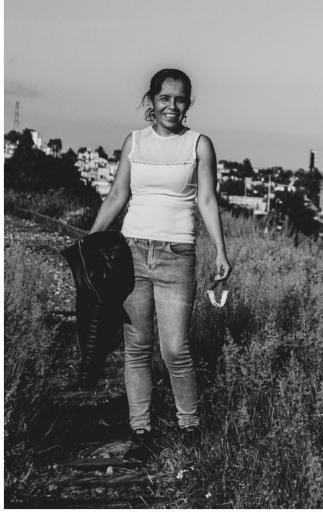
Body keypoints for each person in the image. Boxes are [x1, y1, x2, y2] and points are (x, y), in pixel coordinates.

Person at [88, 68, 231, 460]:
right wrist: (93, 238)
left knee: (174, 348)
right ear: (151, 100)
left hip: (177, 255)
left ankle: (190, 428)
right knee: (137, 345)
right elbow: (118, 194)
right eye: (164, 98)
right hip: (131, 252)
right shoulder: (133, 142)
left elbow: (206, 200)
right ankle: (140, 430)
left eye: (180, 99)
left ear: (188, 104)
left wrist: (220, 250)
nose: (172, 105)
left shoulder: (199, 145)